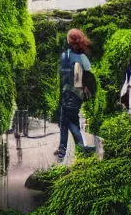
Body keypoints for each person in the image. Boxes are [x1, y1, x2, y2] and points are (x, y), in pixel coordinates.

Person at [55, 29, 91, 162]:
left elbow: (62, 78)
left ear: (69, 41)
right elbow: (88, 74)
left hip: (66, 93)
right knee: (70, 120)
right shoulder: (82, 57)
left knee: (66, 121)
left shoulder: (64, 56)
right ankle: (71, 149)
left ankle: (70, 148)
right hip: (77, 94)